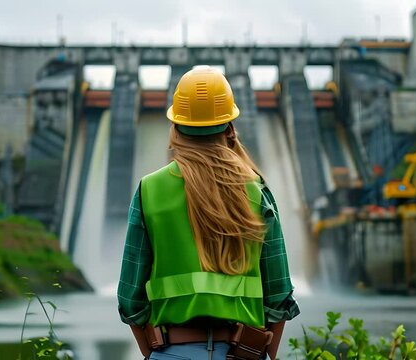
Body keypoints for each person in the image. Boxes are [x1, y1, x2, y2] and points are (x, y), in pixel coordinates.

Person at [118, 66, 299, 360]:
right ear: (229, 127)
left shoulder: (149, 190)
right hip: (244, 353)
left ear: (175, 127)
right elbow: (278, 296)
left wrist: (153, 354)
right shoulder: (257, 191)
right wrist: (261, 354)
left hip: (170, 352)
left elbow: (130, 300)